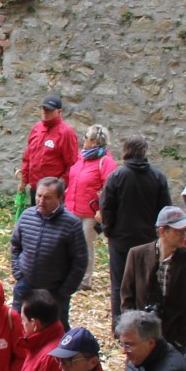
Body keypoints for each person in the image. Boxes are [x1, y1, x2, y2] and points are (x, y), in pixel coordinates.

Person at [99, 134, 172, 323]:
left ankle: (120, 324)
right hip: (148, 239)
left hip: (121, 239)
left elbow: (107, 207)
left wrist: (108, 229)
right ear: (144, 152)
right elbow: (165, 210)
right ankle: (143, 323)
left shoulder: (116, 176)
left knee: (119, 284)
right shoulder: (157, 177)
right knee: (145, 281)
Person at [120, 206, 186, 353]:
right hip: (140, 337)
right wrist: (131, 334)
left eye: (185, 230)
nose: (183, 235)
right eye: (178, 230)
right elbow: (127, 297)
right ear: (162, 231)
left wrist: (180, 341)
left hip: (173, 340)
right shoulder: (137, 255)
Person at [9, 176, 88, 327]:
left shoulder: (71, 224)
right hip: (26, 284)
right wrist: (18, 273)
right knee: (17, 324)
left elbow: (80, 260)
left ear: (59, 198)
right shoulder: (26, 216)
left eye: (47, 197)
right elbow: (15, 245)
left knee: (57, 327)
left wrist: (66, 289)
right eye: (39, 196)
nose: (41, 201)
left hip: (55, 290)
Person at [65, 125, 116, 292]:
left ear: (95, 142)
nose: (83, 140)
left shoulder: (105, 162)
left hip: (90, 212)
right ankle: (70, 274)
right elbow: (74, 180)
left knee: (85, 245)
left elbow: (110, 188)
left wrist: (102, 210)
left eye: (86, 137)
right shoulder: (82, 158)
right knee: (70, 243)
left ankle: (85, 280)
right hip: (72, 207)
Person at [19, 95, 79, 202]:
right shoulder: (37, 128)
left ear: (59, 112)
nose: (46, 112)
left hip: (52, 192)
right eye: (44, 109)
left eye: (50, 110)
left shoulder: (66, 133)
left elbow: (72, 164)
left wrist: (60, 186)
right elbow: (28, 156)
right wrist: (24, 180)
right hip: (36, 189)